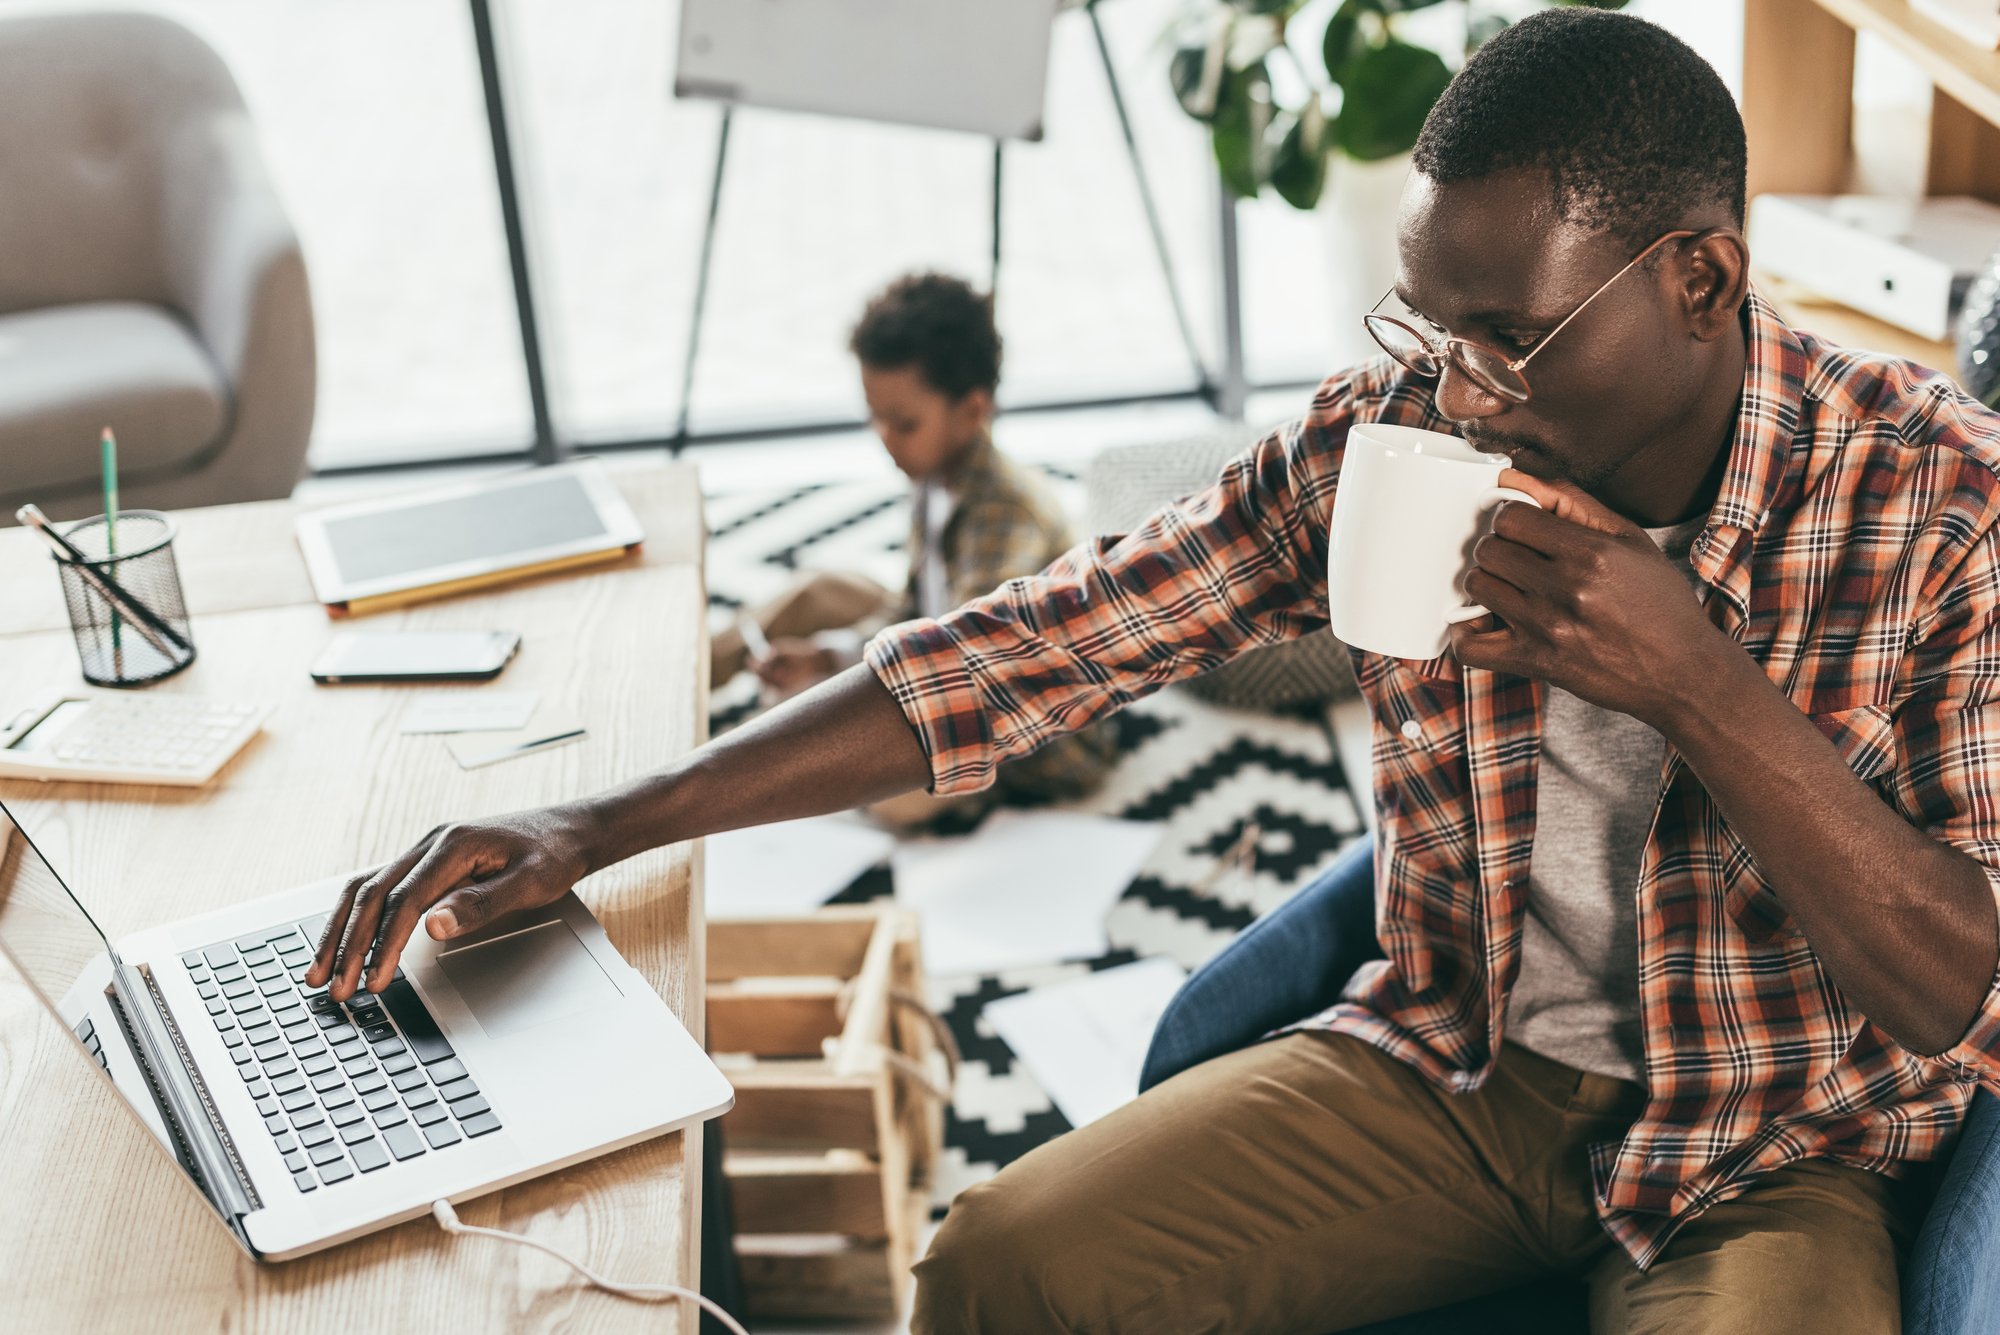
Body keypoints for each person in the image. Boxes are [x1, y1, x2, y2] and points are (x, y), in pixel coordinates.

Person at [305, 11, 2000, 1331]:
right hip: (1460, 1071)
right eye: (1423, 328)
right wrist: (606, 822)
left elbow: (1960, 988)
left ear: (1702, 280)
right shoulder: (1392, 441)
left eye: (1508, 343)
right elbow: (1034, 647)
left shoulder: (1940, 506)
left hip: (1769, 1149)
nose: (1453, 394)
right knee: (1003, 1268)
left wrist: (1698, 686)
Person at [707, 270, 1115, 823]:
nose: (884, 438)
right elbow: (914, 605)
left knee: (891, 800)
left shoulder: (1005, 515)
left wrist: (828, 709)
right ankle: (691, 673)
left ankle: (744, 778)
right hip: (944, 646)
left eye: (902, 423)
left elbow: (958, 670)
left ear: (973, 410)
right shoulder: (935, 467)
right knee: (820, 590)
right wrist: (828, 655)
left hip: (1019, 721)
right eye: (874, 417)